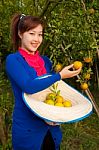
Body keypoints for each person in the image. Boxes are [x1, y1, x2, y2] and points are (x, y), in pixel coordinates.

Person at [5, 13, 81, 150]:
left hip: (51, 128)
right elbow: (29, 86)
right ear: (20, 34)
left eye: (40, 34)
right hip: (28, 128)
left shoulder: (46, 61)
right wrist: (60, 75)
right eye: (32, 33)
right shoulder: (13, 60)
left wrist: (57, 114)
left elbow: (52, 90)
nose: (36, 39)